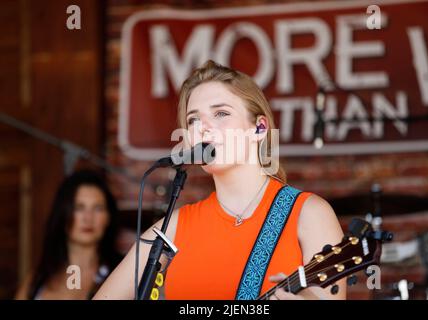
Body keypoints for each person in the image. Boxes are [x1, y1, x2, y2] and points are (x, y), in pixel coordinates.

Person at [94, 60, 346, 300]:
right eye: (193, 119)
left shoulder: (308, 214)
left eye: (221, 113)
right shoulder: (173, 227)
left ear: (259, 128)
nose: (203, 127)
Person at [15, 170, 123, 299]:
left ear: (108, 217)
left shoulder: (121, 274)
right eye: (79, 207)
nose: (88, 218)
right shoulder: (37, 280)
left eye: (98, 208)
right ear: (63, 214)